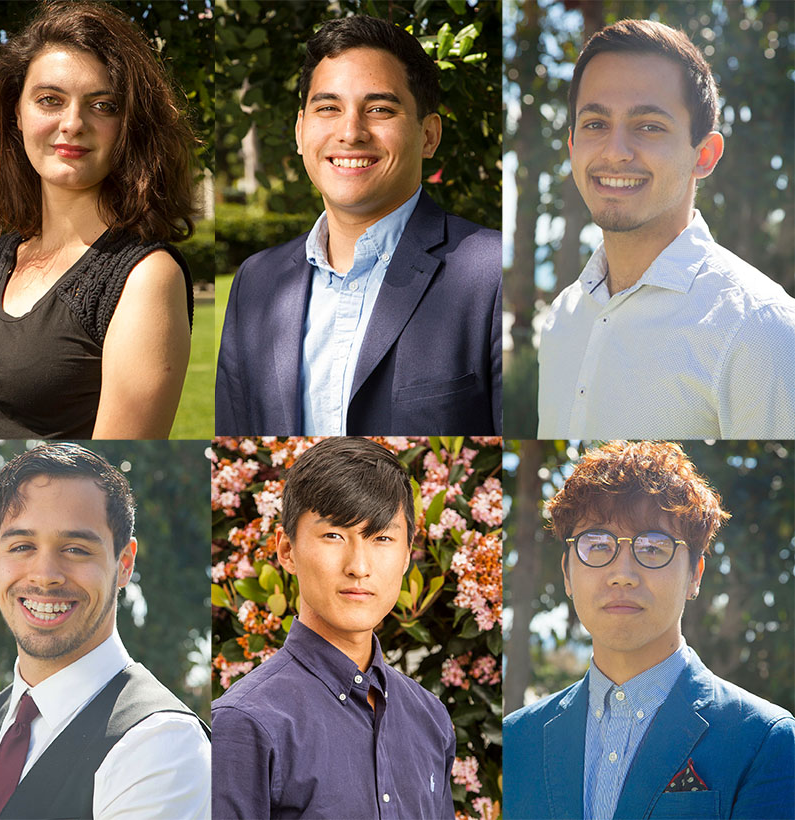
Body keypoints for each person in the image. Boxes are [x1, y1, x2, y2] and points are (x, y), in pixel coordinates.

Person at [215, 16, 502, 436]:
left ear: (428, 135)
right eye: (328, 108)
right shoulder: (256, 283)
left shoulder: (492, 274)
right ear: (300, 131)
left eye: (380, 109)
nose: (350, 132)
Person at [0, 1, 197, 439]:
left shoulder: (144, 277)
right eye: (50, 100)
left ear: (130, 125)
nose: (72, 123)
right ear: (16, 113)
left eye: (103, 105)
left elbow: (108, 473)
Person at [502, 440, 795, 820]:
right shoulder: (517, 740)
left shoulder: (764, 740)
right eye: (598, 545)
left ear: (694, 575)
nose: (622, 575)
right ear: (567, 573)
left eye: (654, 547)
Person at [0, 443, 211, 819]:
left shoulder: (164, 744)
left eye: (75, 549)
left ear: (124, 563)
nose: (45, 575)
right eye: (22, 545)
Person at [537, 19, 795, 439]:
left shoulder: (762, 331)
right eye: (596, 124)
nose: (615, 152)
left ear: (705, 155)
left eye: (649, 126)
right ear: (572, 146)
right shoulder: (562, 320)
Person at [211, 437, 456, 819]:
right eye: (334, 535)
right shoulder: (244, 723)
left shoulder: (431, 718)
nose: (359, 566)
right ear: (286, 550)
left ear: (408, 553)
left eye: (382, 538)